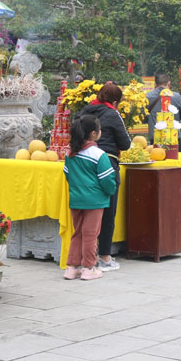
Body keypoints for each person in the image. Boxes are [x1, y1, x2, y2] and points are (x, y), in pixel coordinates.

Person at [82, 82, 132, 271]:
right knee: (107, 212)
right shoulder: (112, 114)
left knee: (85, 212)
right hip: (107, 165)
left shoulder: (84, 112)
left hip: (84, 165)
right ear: (114, 101)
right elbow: (125, 144)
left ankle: (85, 256)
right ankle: (104, 256)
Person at [62, 114, 117, 281]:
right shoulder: (99, 155)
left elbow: (67, 175)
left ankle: (71, 268)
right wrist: (110, 191)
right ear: (94, 134)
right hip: (95, 201)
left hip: (76, 200)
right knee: (91, 234)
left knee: (77, 233)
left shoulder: (70, 153)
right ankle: (88, 268)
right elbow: (107, 180)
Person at [146, 73, 181, 143]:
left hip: (155, 137)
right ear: (169, 83)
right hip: (173, 136)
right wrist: (176, 117)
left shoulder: (148, 96)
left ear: (155, 84)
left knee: (157, 153)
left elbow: (143, 116)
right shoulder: (176, 96)